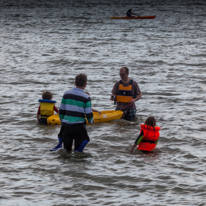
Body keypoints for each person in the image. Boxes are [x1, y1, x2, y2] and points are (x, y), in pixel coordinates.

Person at [51, 73, 93, 152]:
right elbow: (88, 114)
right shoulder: (86, 97)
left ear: (75, 82)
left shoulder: (67, 94)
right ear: (85, 84)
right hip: (79, 127)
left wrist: (63, 120)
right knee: (78, 152)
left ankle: (66, 163)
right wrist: (91, 121)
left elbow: (61, 111)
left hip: (67, 127)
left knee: (67, 151)